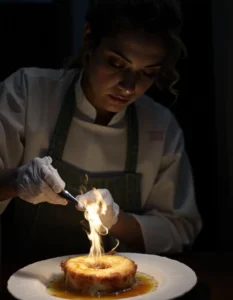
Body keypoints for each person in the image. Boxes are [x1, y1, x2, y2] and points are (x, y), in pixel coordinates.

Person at [0, 0, 202, 266]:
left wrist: (115, 220)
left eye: (148, 73)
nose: (129, 87)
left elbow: (180, 229)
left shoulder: (160, 126)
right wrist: (16, 182)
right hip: (25, 277)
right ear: (88, 39)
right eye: (117, 64)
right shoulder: (27, 93)